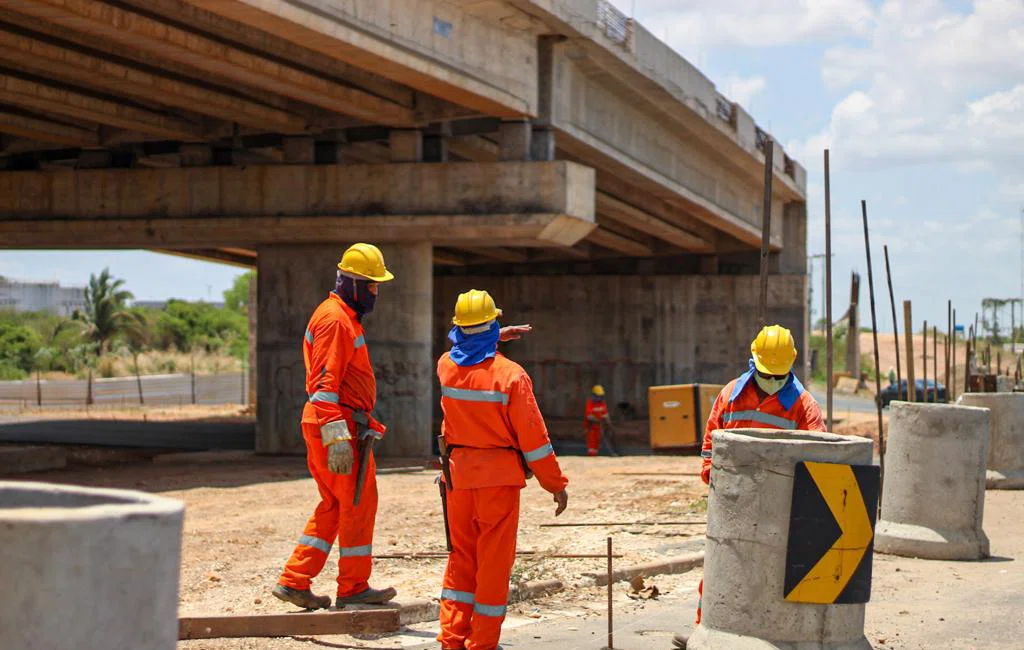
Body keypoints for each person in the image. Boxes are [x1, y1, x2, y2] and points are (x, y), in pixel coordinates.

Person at [673, 324, 825, 650]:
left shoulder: (804, 406)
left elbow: (821, 456)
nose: (771, 383)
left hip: (780, 506)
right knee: (720, 567)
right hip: (732, 498)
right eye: (766, 375)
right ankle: (705, 632)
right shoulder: (730, 394)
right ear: (753, 364)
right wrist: (710, 475)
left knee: (771, 574)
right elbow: (710, 442)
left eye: (777, 377)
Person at [436, 289, 569, 650]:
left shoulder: (446, 366)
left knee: (461, 560)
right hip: (498, 481)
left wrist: (491, 334)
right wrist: (554, 483)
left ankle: (452, 638)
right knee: (492, 565)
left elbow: (464, 349)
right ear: (493, 326)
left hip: (458, 477)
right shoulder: (512, 376)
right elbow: (535, 441)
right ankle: (482, 643)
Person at [272, 243, 398, 610]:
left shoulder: (340, 316)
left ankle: (294, 580)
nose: (376, 292)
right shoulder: (336, 320)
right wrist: (337, 436)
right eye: (372, 285)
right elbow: (323, 385)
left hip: (339, 424)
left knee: (334, 504)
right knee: (358, 503)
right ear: (353, 284)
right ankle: (354, 588)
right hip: (339, 426)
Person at [584, 385, 610, 456]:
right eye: (598, 395)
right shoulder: (590, 403)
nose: (599, 397)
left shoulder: (602, 403)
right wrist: (598, 420)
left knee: (597, 444)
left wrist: (608, 424)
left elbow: (606, 414)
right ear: (594, 395)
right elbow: (589, 416)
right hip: (591, 428)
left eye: (601, 396)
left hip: (599, 428)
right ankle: (591, 457)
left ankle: (594, 456)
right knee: (592, 445)